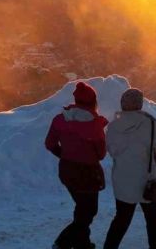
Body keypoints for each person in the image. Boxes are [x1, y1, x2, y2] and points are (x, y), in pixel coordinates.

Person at [45, 81, 109, 249]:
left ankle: (83, 244)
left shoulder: (60, 119)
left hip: (67, 171)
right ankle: (62, 243)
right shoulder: (95, 125)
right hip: (88, 174)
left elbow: (50, 144)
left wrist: (64, 155)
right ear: (93, 102)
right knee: (88, 212)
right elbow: (101, 154)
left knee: (82, 208)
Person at [104, 88, 156, 249]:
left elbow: (112, 151)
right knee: (154, 224)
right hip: (148, 180)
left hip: (123, 180)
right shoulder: (151, 123)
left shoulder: (113, 126)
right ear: (140, 104)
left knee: (121, 221)